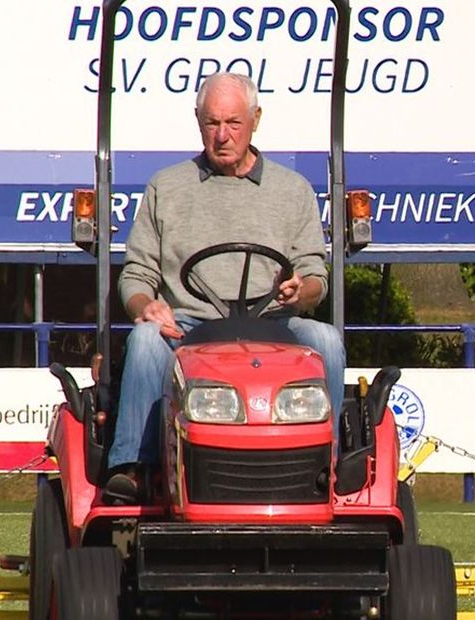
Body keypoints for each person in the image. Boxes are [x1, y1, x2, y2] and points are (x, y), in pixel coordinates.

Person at [104, 72, 346, 504]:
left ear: (256, 120)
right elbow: (136, 274)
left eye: (233, 123)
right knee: (143, 337)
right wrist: (146, 305)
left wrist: (301, 289)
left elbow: (315, 275)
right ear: (198, 121)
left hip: (271, 323)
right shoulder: (167, 187)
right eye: (212, 123)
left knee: (324, 337)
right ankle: (133, 469)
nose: (222, 136)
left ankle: (324, 463)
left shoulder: (292, 190)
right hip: (190, 324)